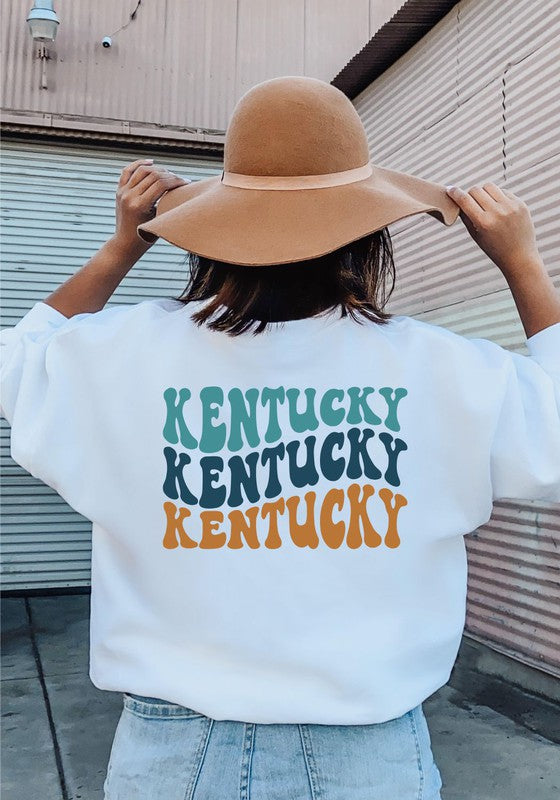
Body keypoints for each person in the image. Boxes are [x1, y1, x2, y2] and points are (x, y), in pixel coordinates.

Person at [1, 76, 559, 800]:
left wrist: (120, 249)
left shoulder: (119, 353)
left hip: (172, 751)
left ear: (215, 231)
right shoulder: (443, 368)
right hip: (370, 750)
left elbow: (20, 359)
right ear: (370, 235)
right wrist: (522, 263)